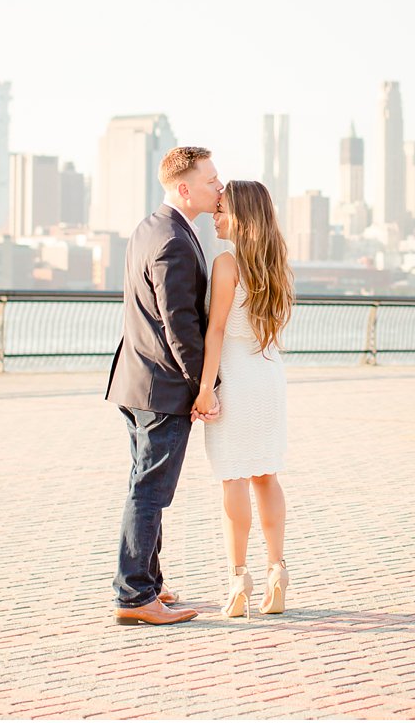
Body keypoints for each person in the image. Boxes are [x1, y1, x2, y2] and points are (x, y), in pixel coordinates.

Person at [105, 145, 223, 626]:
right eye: (212, 180)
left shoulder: (150, 228)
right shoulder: (174, 239)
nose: (219, 186)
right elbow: (180, 325)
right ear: (184, 188)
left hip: (136, 381)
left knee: (144, 484)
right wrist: (205, 385)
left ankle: (146, 582)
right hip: (162, 389)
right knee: (151, 490)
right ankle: (134, 596)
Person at [192, 180, 294, 618]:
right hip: (270, 379)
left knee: (233, 478)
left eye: (222, 210)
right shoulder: (277, 265)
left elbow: (215, 331)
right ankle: (278, 570)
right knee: (266, 476)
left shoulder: (227, 263)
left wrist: (203, 389)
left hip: (236, 380)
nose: (214, 217)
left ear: (242, 217)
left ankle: (239, 578)